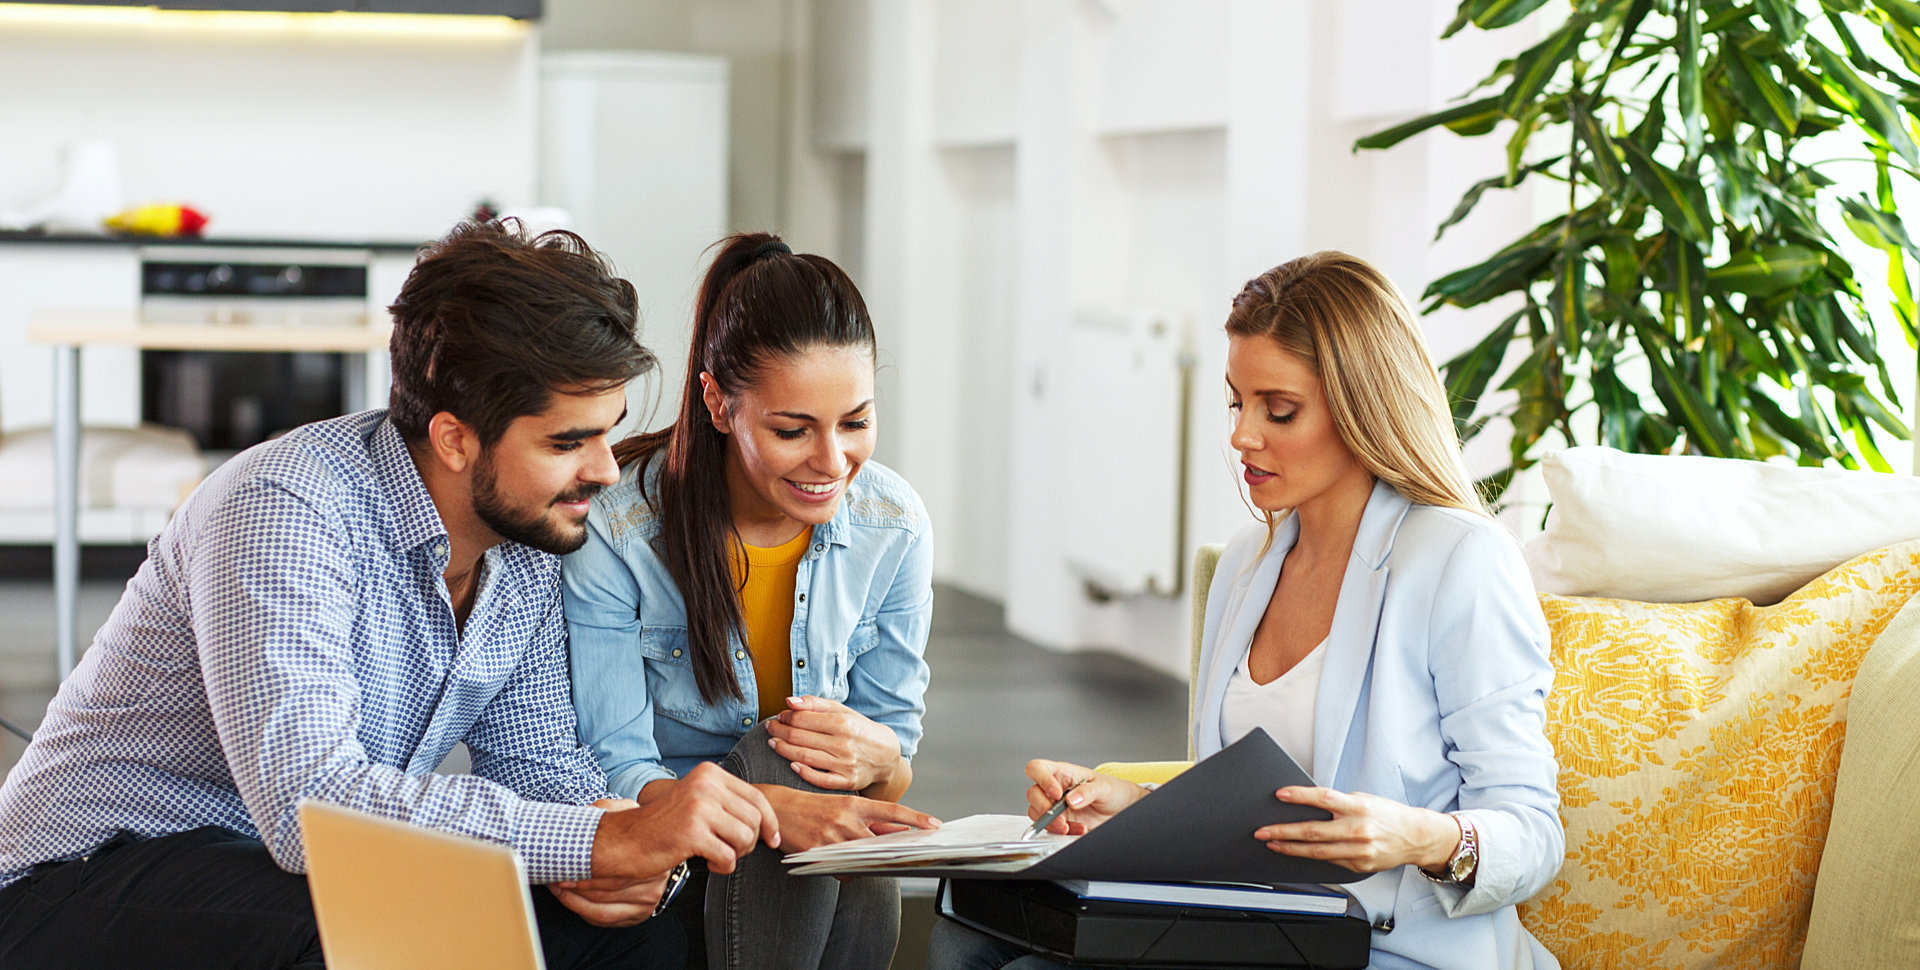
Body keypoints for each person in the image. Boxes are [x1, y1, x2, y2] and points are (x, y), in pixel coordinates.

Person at [0, 220, 781, 970]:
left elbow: (539, 765)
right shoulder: (284, 509)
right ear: (454, 438)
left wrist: (615, 834)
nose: (606, 470)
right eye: (567, 442)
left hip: (276, 876)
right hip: (83, 877)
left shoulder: (530, 543)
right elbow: (312, 806)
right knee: (382, 931)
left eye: (605, 433)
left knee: (629, 936)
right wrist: (589, 845)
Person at [929, 251, 1563, 970]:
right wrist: (1134, 806)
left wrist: (1417, 837)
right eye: (1238, 402)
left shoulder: (1459, 560)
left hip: (1389, 948)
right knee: (966, 936)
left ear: (1363, 406)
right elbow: (1244, 807)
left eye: (1279, 409)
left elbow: (1533, 833)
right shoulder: (1245, 564)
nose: (1242, 436)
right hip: (1254, 927)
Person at [563, 232, 937, 970]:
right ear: (718, 403)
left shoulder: (893, 524)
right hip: (670, 845)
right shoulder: (620, 528)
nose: (833, 464)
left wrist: (883, 755)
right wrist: (769, 804)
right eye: (793, 430)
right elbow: (617, 764)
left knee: (823, 774)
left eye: (856, 423)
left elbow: (894, 766)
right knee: (785, 755)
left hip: (810, 862)